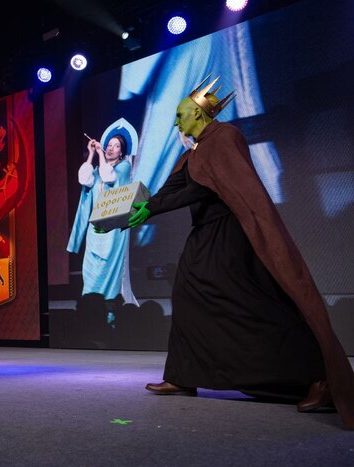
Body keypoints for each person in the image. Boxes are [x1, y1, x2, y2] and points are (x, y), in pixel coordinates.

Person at [128, 75, 354, 429]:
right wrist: (129, 214)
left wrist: (153, 209)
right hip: (204, 237)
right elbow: (170, 190)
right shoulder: (194, 152)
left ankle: (319, 377)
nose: (176, 123)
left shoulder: (224, 137)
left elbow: (203, 190)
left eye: (180, 115)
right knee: (187, 295)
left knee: (253, 305)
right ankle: (182, 376)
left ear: (198, 113)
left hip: (230, 236)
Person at [67, 126, 139, 324]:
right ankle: (89, 311)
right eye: (109, 145)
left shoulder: (124, 167)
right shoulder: (98, 169)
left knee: (109, 270)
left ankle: (109, 314)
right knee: (91, 270)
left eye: (116, 146)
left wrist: (100, 154)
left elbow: (109, 178)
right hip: (95, 229)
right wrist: (91, 154)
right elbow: (84, 179)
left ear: (121, 152)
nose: (110, 148)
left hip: (113, 230)